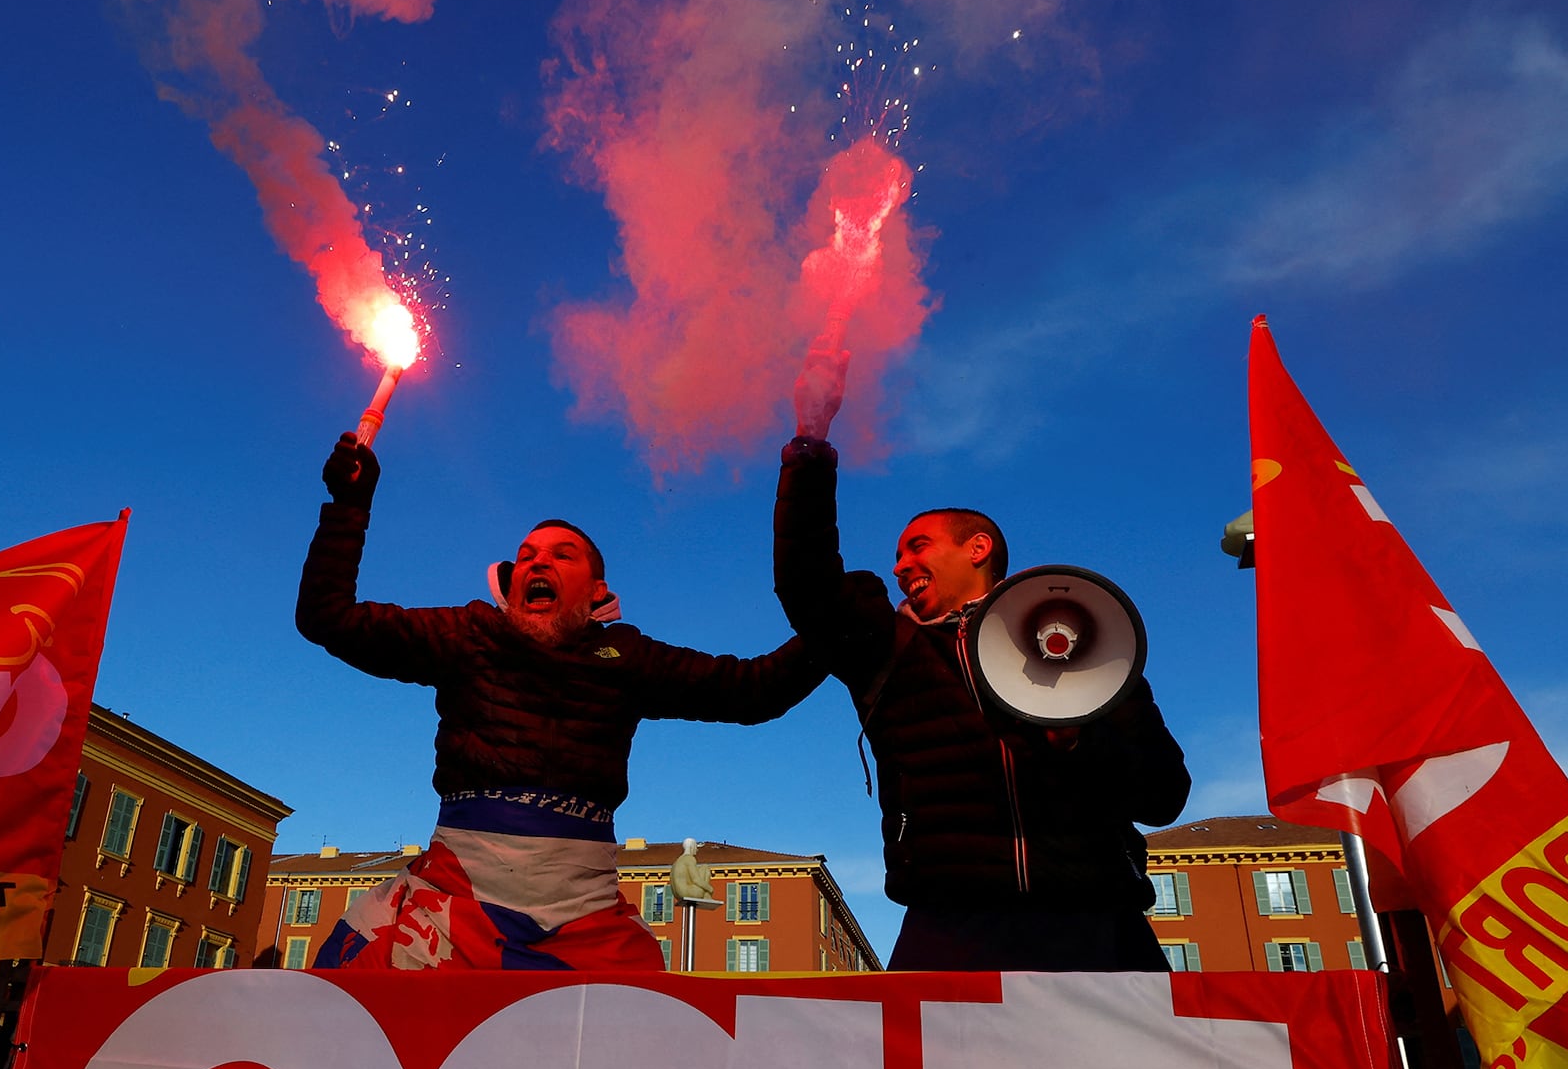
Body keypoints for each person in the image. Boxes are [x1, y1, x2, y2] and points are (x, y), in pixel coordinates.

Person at [298, 432, 825, 971]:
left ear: (597, 590)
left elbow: (754, 690)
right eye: (526, 556)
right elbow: (328, 617)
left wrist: (838, 624)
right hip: (450, 908)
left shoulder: (626, 656)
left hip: (583, 920)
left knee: (635, 1011)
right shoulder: (468, 633)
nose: (537, 562)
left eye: (561, 555)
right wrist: (348, 504)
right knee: (355, 984)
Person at [773, 349, 1190, 972]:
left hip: (1097, 919)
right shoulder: (886, 647)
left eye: (917, 546)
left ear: (977, 548)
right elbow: (805, 580)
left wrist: (1077, 742)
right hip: (951, 923)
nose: (899, 566)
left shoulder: (1089, 644)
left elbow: (1164, 796)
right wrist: (810, 438)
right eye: (897, 555)